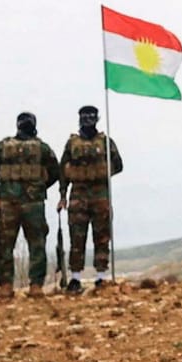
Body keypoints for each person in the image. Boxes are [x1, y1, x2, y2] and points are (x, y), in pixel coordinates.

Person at [0, 112, 61, 297]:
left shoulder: (42, 149)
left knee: (36, 244)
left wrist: (39, 186)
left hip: (31, 204)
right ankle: (6, 285)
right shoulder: (3, 147)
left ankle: (36, 285)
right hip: (10, 203)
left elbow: (55, 171)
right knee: (5, 245)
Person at [58, 105, 124, 293]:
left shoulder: (105, 142)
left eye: (91, 116)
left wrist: (102, 171)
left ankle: (101, 277)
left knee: (102, 236)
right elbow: (63, 170)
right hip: (78, 195)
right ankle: (75, 279)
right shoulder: (72, 143)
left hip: (100, 195)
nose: (88, 119)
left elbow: (118, 164)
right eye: (84, 116)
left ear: (97, 118)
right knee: (77, 238)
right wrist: (62, 196)